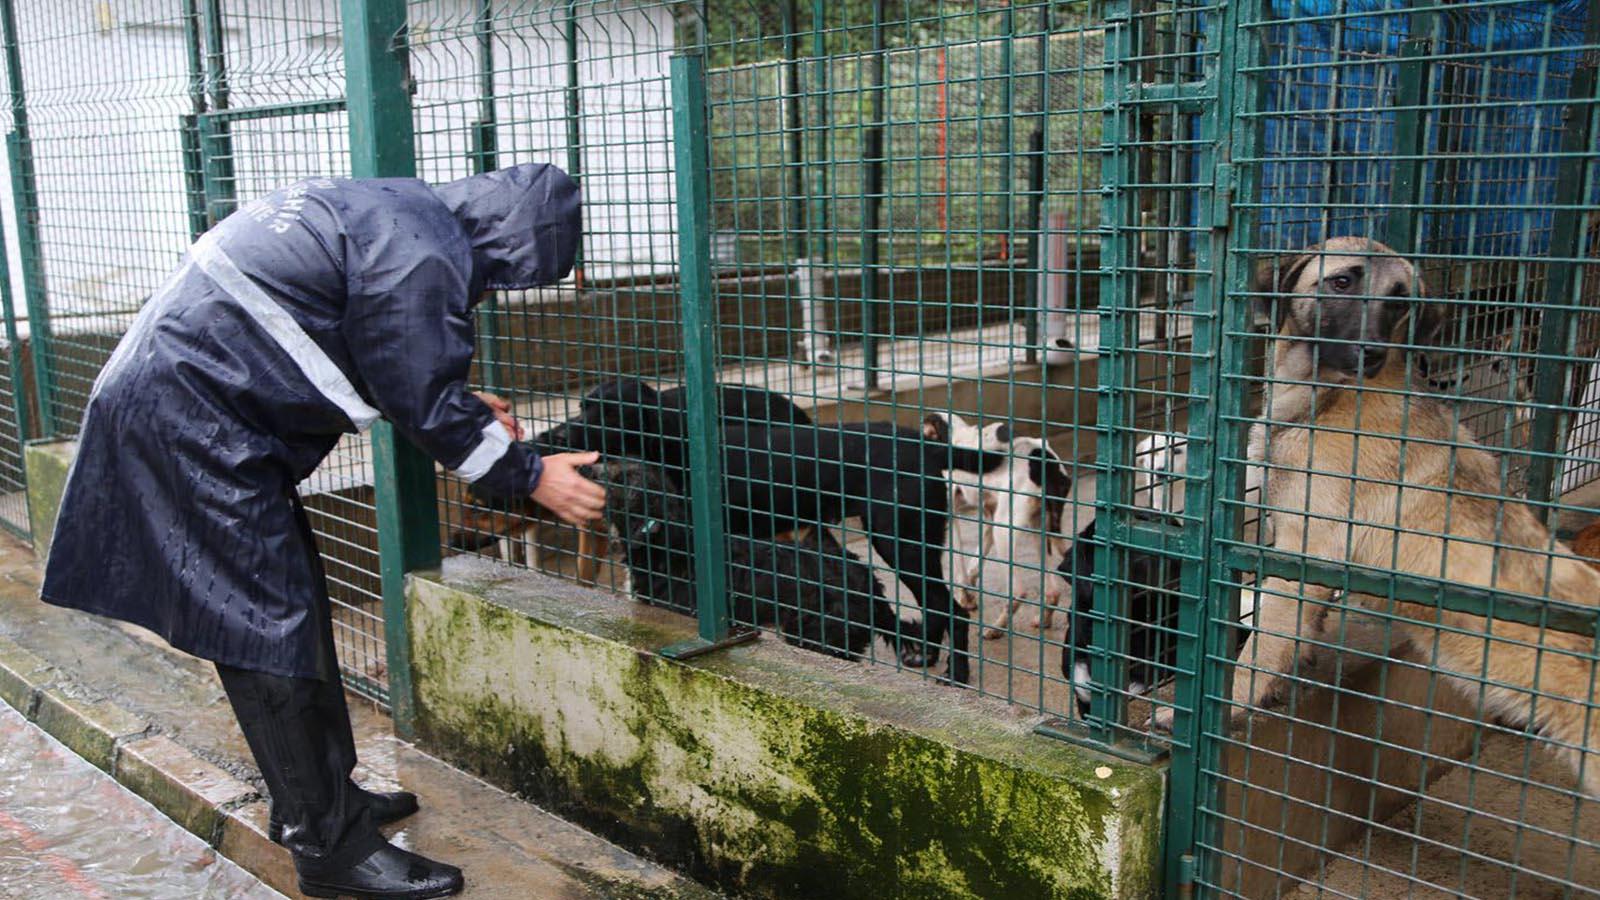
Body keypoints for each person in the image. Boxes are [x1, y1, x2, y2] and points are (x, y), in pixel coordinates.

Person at [39, 162, 606, 899]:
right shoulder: (425, 252)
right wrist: (534, 476)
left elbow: (377, 348)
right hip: (192, 423)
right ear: (509, 244)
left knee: (290, 608)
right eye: (506, 276)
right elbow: (422, 396)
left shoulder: (399, 210)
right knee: (264, 626)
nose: (495, 290)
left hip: (189, 404)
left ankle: (325, 799)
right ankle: (331, 851)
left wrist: (450, 400)